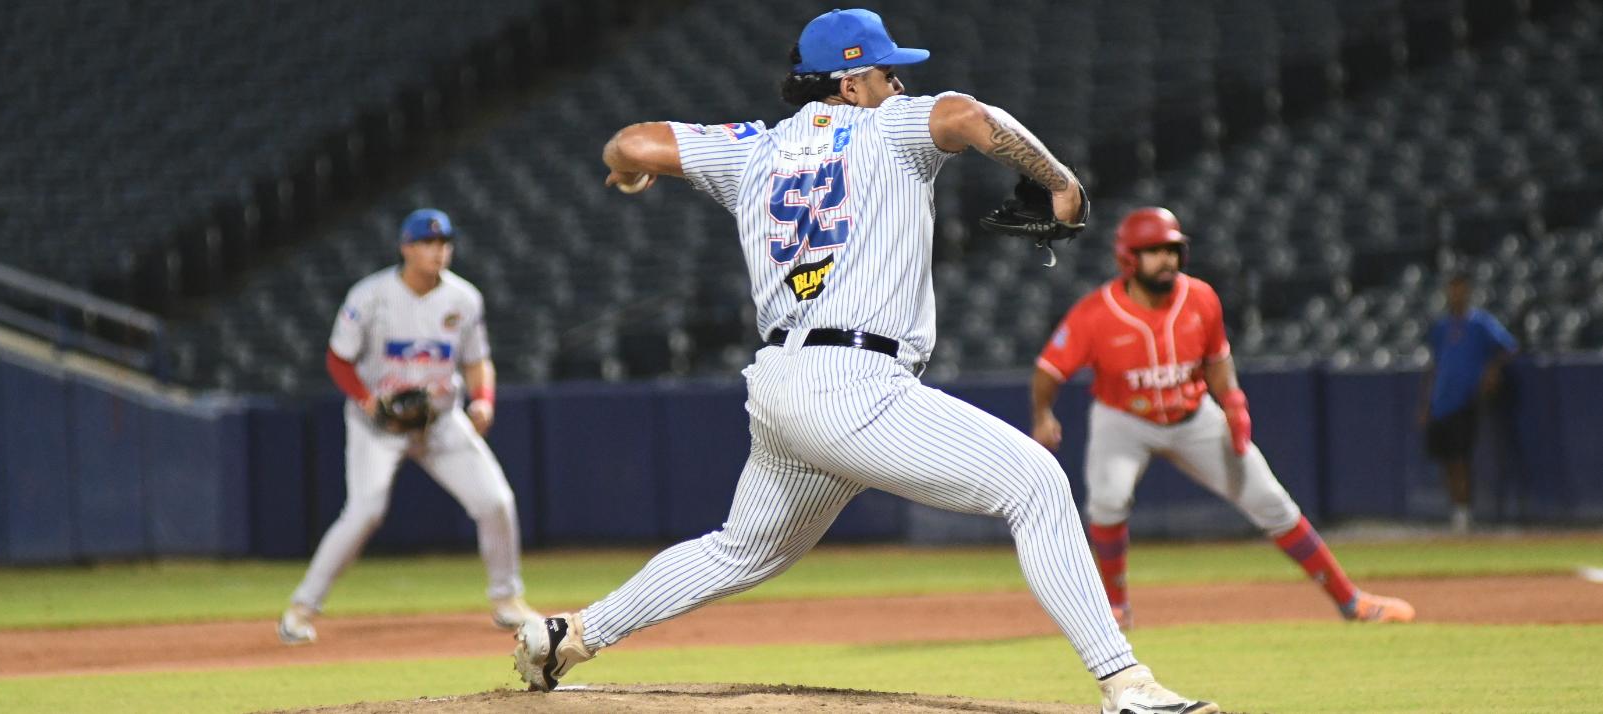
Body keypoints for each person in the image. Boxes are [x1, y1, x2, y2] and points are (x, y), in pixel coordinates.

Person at [512, 10, 1218, 713]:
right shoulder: (891, 125)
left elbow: (632, 142)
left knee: (740, 551)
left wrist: (626, 171)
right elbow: (969, 115)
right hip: (853, 384)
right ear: (850, 85)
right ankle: (1125, 686)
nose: (898, 82)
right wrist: (1060, 182)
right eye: (885, 72)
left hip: (782, 386)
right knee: (1033, 482)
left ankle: (568, 636)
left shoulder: (751, 148)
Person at [1029, 206, 1416, 630]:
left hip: (1193, 415)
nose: (1166, 260)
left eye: (1172, 250)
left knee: (1273, 503)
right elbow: (1049, 369)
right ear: (1128, 258)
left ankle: (1351, 601)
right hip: (1124, 421)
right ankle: (1117, 609)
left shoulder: (1201, 298)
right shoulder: (1095, 313)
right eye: (1154, 251)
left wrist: (1233, 402)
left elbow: (1216, 360)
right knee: (1107, 502)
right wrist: (1043, 413)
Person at [277, 208, 535, 644]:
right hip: (377, 425)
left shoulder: (464, 298)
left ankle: (507, 599)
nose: (438, 251)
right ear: (406, 248)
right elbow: (338, 359)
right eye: (428, 243)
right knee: (364, 512)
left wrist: (484, 401)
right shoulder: (370, 296)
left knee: (495, 500)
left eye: (444, 242)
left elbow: (476, 361)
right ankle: (301, 608)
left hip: (439, 420)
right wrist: (366, 399)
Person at [1416, 272, 1517, 534]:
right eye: (1452, 289)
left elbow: (1509, 347)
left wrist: (1492, 370)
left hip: (1465, 401)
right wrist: (1427, 403)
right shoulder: (1441, 327)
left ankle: (1464, 514)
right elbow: (1435, 365)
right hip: (1441, 401)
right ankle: (1456, 511)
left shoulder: (1481, 323)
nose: (1456, 294)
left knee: (1460, 457)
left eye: (1460, 289)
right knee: (1445, 459)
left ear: (1468, 292)